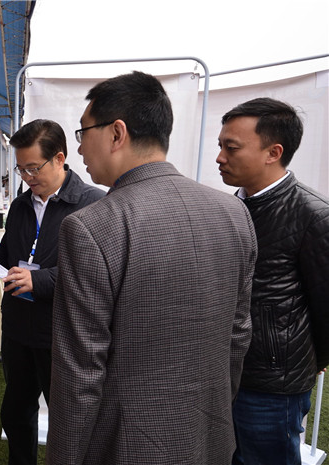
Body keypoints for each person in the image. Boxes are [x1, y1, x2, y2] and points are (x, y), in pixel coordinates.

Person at [46, 71, 258, 465]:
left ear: (117, 133)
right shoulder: (233, 213)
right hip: (209, 434)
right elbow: (237, 335)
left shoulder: (91, 227)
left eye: (83, 132)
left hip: (125, 445)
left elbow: (80, 372)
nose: (79, 148)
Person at [0, 119, 104, 465]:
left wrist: (38, 281)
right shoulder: (21, 205)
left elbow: (92, 274)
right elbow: (9, 252)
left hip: (61, 333)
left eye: (33, 168)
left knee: (66, 418)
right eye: (21, 169)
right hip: (18, 329)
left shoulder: (91, 205)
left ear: (59, 158)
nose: (27, 177)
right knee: (15, 413)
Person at [215, 97, 329, 465]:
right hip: (221, 372)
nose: (219, 157)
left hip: (272, 386)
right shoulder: (226, 209)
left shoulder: (314, 216)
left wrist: (308, 360)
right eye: (220, 145)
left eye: (231, 148)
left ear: (273, 152)